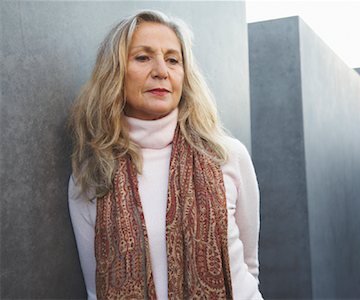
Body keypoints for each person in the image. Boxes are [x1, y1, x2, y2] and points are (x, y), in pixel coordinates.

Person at [68, 10, 263, 300]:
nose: (161, 70)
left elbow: (249, 266)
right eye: (143, 57)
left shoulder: (227, 155)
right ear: (116, 71)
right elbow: (96, 290)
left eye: (172, 59)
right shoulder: (92, 175)